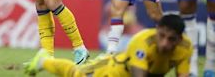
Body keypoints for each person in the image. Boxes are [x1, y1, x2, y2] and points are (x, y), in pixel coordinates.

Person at [25, 14, 193, 77]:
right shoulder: (141, 41)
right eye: (161, 36)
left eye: (171, 39)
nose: (164, 43)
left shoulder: (186, 48)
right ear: (156, 30)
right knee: (77, 75)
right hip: (112, 71)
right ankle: (43, 61)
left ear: (179, 39)